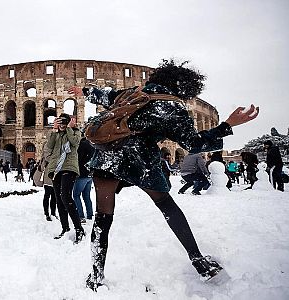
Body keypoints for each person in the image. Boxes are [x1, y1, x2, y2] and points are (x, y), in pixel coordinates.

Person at [68, 60, 259, 291]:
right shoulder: (172, 107)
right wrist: (227, 125)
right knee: (167, 206)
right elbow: (194, 143)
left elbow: (107, 96)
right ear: (186, 88)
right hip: (140, 162)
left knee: (103, 217)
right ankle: (199, 262)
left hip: (107, 158)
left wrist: (85, 92)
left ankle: (96, 275)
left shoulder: (133, 93)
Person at [45, 113, 85, 244]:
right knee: (59, 199)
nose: (61, 125)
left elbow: (75, 142)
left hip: (69, 167)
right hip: (56, 169)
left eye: (64, 122)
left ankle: (79, 229)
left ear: (68, 123)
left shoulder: (75, 132)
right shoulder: (56, 134)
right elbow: (49, 146)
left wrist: (68, 128)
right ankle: (65, 228)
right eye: (60, 122)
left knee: (66, 197)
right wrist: (54, 130)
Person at [73, 135, 96, 223]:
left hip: (82, 174)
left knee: (76, 195)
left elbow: (78, 159)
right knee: (86, 195)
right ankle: (90, 215)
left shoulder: (82, 144)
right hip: (90, 174)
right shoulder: (93, 144)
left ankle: (80, 215)